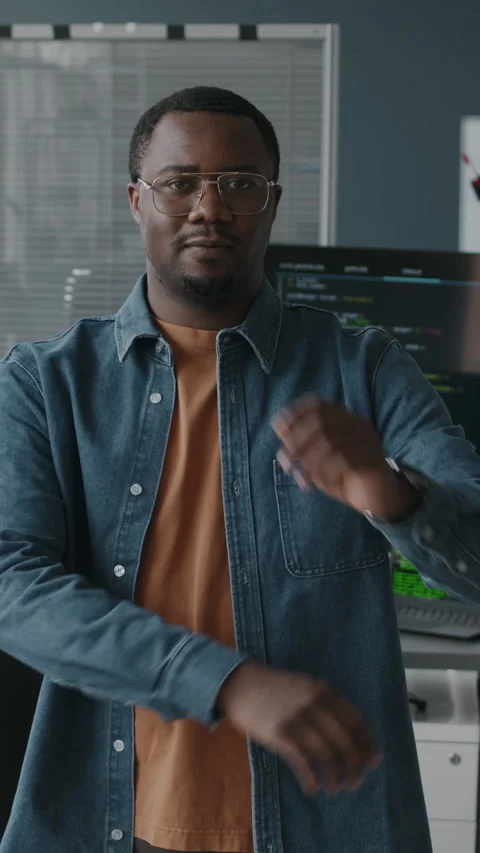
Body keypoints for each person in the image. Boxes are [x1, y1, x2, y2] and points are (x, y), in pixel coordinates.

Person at [1, 86, 480, 853]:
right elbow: (11, 585)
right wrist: (224, 680)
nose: (209, 208)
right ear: (136, 199)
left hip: (326, 828)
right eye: (180, 182)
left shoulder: (364, 367)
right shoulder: (46, 382)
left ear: (272, 202)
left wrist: (389, 493)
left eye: (240, 184)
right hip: (112, 825)